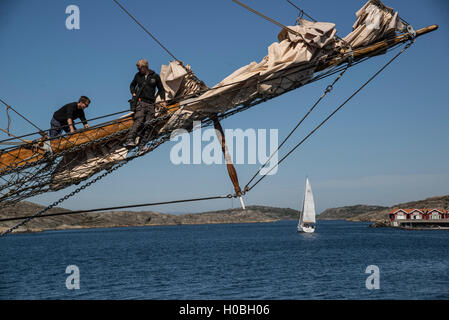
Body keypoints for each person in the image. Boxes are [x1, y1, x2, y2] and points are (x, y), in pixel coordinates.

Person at [125, 59, 166, 148]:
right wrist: (133, 93)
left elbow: (161, 89)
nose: (138, 70)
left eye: (139, 68)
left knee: (149, 124)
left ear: (144, 67)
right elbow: (132, 85)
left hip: (151, 103)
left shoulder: (155, 77)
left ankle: (142, 145)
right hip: (141, 102)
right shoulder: (138, 76)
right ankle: (130, 140)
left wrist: (163, 100)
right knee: (138, 120)